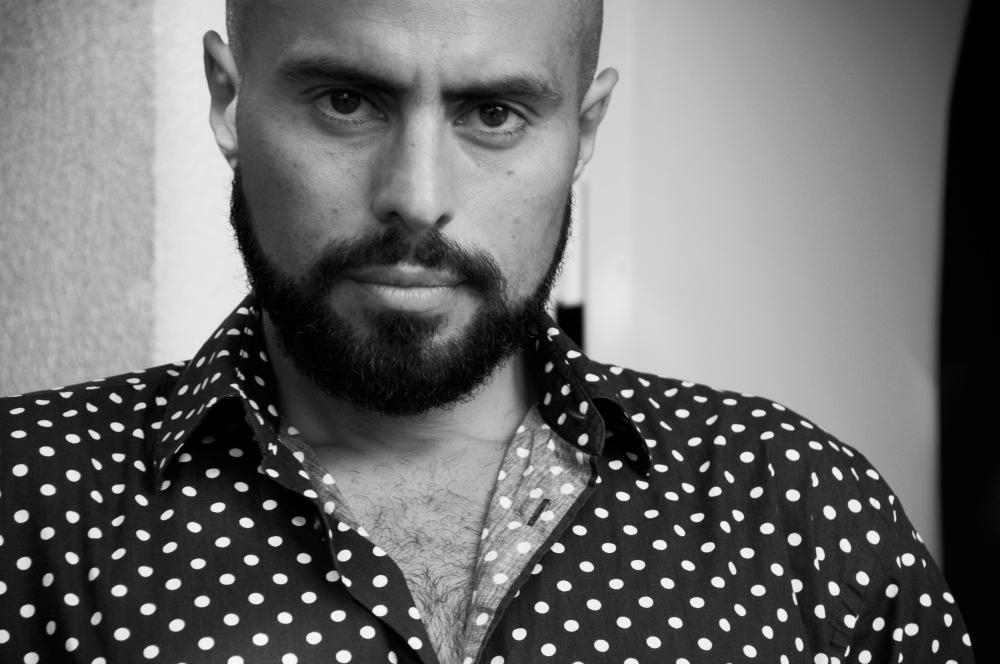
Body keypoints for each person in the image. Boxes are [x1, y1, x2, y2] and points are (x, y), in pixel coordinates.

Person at [0, 1, 974, 662]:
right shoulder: (24, 503)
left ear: (584, 132)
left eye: (494, 113)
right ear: (229, 100)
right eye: (346, 101)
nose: (417, 196)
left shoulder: (797, 508)